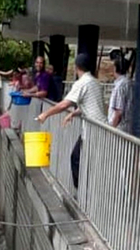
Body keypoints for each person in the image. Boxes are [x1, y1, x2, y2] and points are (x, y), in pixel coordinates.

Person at [36, 53, 106, 189]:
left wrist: (45, 114)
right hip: (98, 128)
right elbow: (90, 104)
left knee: (78, 159)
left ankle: (81, 193)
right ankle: (83, 192)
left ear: (76, 67)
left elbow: (64, 104)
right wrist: (73, 114)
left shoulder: (82, 83)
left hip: (93, 131)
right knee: (81, 159)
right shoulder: (94, 82)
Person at [108, 57, 132, 132]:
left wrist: (112, 128)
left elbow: (118, 111)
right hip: (128, 125)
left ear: (115, 68)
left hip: (119, 128)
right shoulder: (130, 83)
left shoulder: (120, 86)